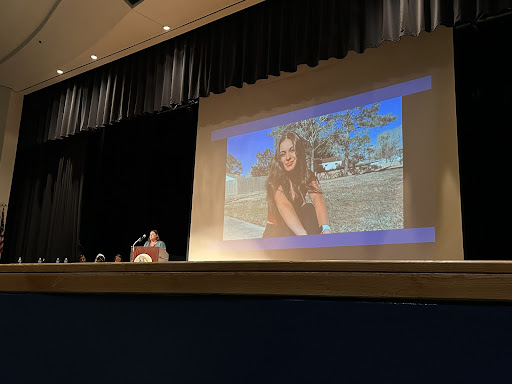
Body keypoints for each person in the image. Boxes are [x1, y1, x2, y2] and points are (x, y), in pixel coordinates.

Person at [263, 131, 332, 238]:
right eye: (283, 154)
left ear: (299, 151)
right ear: (279, 159)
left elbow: (317, 198)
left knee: (308, 209)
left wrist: (325, 229)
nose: (288, 157)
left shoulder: (306, 174)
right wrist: (304, 237)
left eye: (292, 150)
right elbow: (284, 205)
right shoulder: (275, 178)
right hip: (276, 232)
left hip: (295, 224)